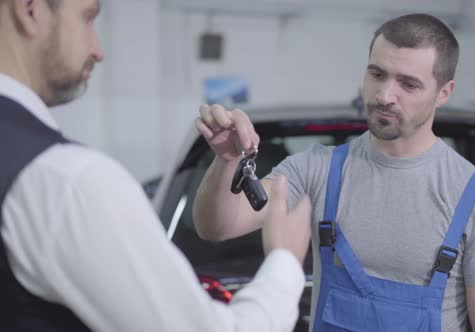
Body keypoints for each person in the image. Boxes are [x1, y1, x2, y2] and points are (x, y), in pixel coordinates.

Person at [194, 13, 475, 332]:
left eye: (408, 84)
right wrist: (226, 160)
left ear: (443, 93)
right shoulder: (317, 170)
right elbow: (218, 226)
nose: (384, 95)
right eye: (377, 74)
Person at [0, 0, 313, 331]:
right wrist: (285, 261)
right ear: (30, 9)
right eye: (88, 18)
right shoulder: (66, 180)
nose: (98, 49)